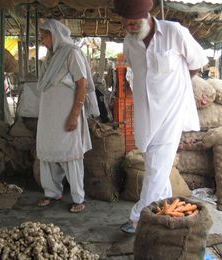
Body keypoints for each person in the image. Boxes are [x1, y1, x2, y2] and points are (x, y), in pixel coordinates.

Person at [114, 0, 208, 233]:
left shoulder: (174, 32)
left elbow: (197, 62)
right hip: (145, 114)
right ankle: (165, 209)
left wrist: (178, 85)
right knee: (155, 164)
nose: (131, 26)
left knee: (156, 168)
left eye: (135, 22)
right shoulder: (129, 42)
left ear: (147, 15)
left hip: (171, 111)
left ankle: (139, 219)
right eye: (127, 22)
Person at [36, 19, 99, 213]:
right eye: (41, 37)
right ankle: (52, 192)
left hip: (67, 115)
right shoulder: (50, 57)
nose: (42, 40)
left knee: (70, 155)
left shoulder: (71, 53)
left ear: (55, 35)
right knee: (47, 153)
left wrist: (74, 115)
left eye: (44, 36)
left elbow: (82, 85)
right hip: (48, 116)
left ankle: (78, 197)